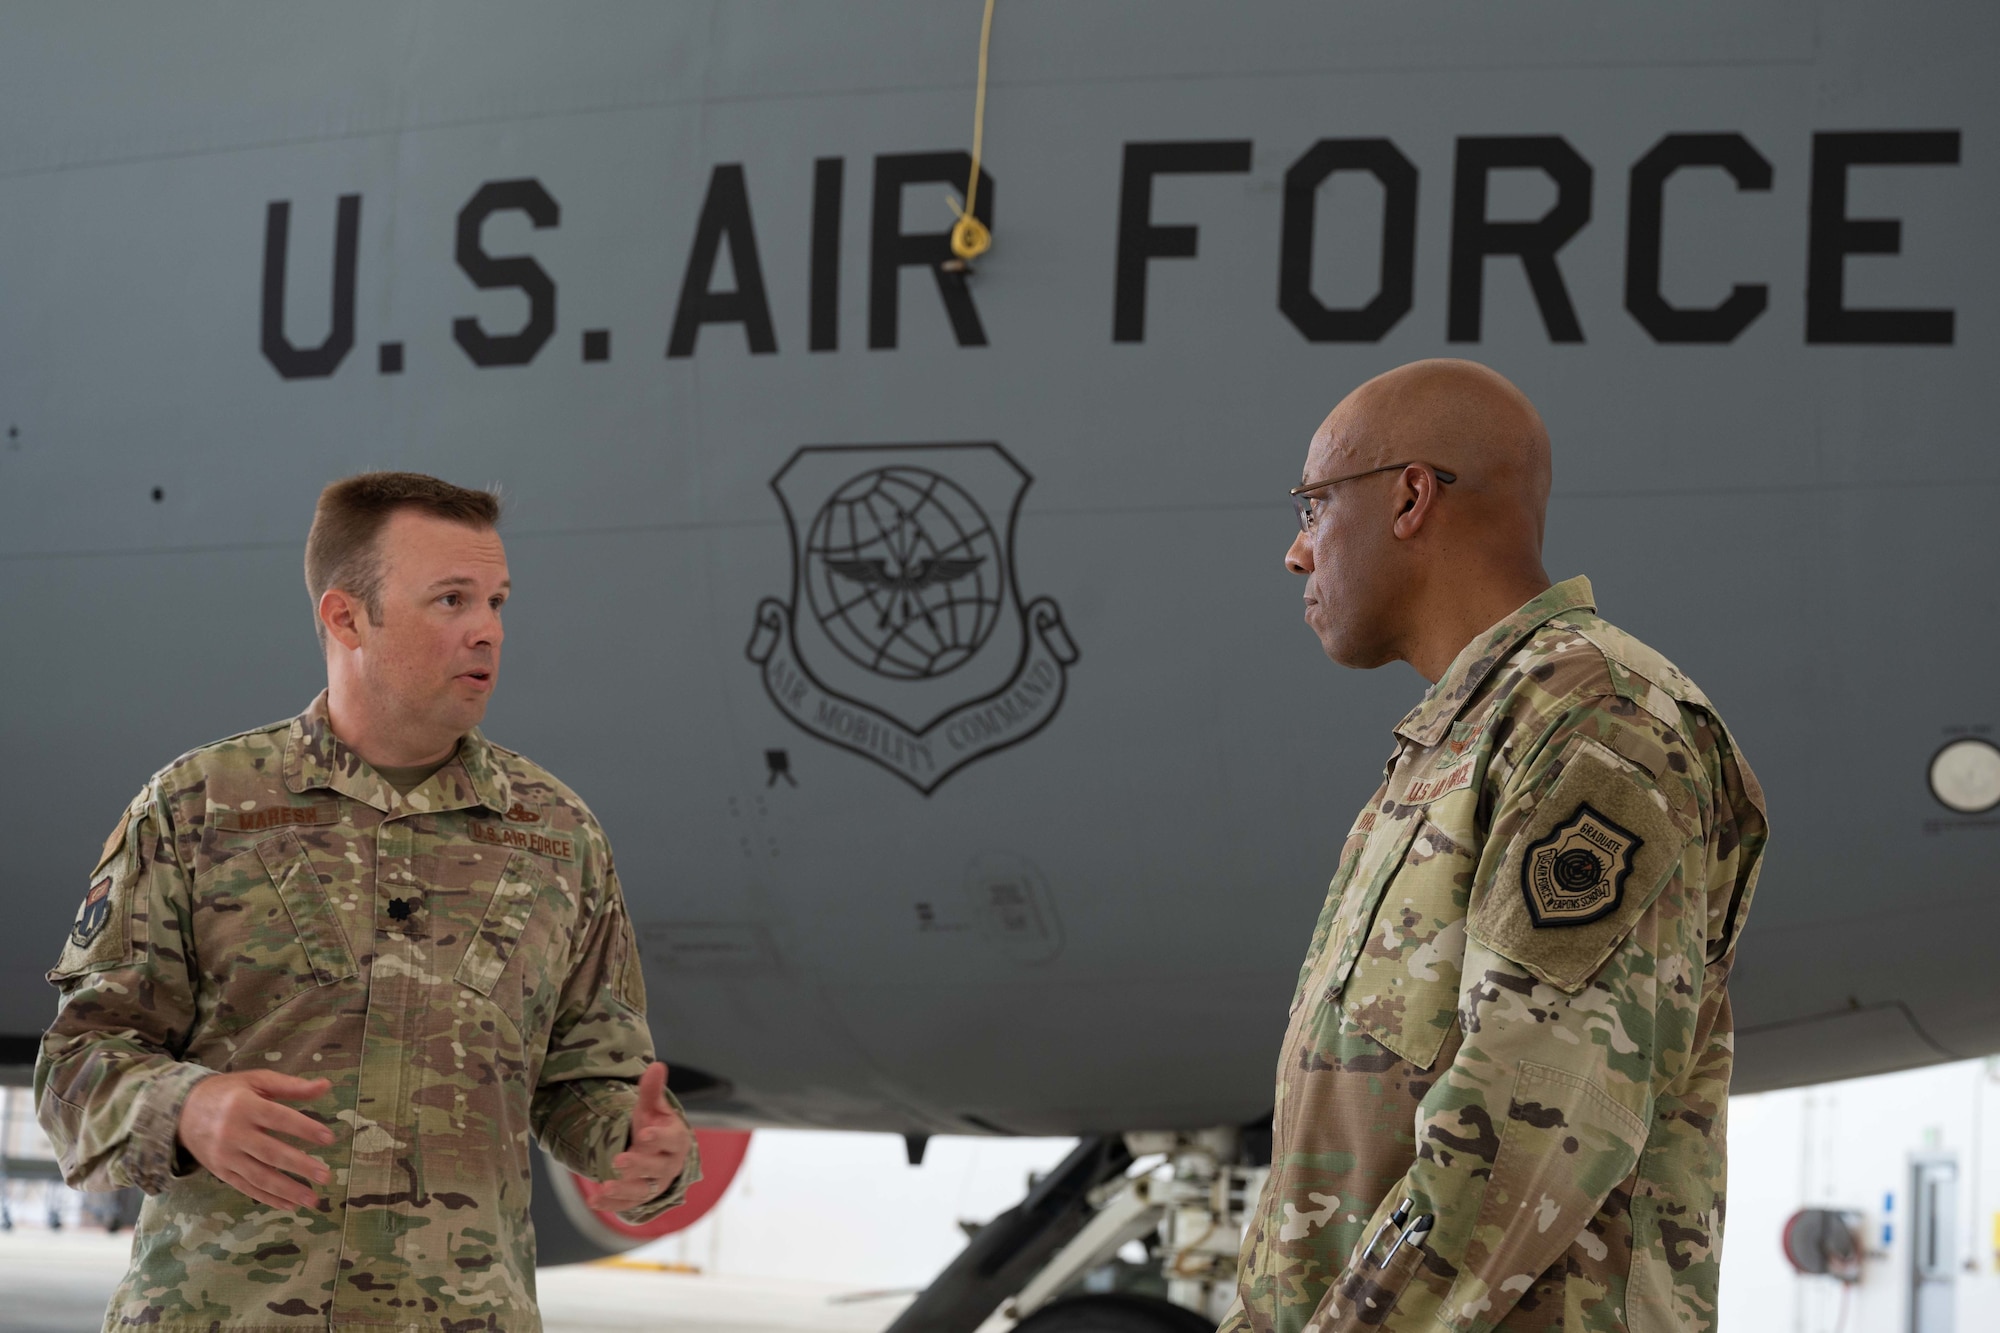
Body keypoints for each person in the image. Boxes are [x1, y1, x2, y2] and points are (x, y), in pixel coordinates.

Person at [36, 472, 698, 1331]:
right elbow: (76, 1068)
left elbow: (587, 1079)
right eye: (451, 599)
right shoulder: (200, 808)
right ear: (346, 618)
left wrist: (644, 1150)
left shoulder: (557, 836)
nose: (487, 629)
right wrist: (188, 1107)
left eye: (496, 600)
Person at [1222, 361, 1768, 1333]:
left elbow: (1528, 1119)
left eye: (1311, 505)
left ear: (1407, 495)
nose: (1295, 554)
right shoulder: (1463, 738)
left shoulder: (1594, 727)